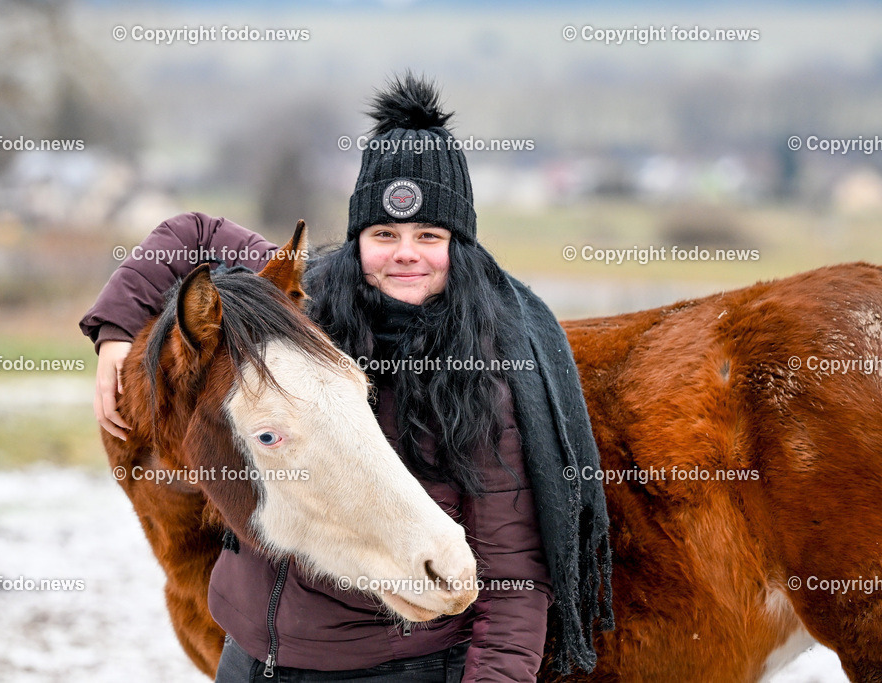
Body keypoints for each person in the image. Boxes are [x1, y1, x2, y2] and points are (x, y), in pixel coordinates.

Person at [81, 74, 613, 682]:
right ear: (357, 240)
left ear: (457, 247)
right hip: (252, 658)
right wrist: (115, 331)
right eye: (384, 234)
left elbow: (514, 586)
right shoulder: (302, 311)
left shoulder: (479, 381)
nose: (405, 253)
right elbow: (191, 234)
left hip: (389, 667)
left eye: (429, 236)